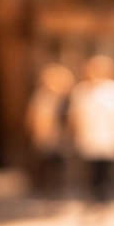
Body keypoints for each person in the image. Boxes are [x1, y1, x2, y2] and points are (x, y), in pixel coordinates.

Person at [68, 55, 114, 204]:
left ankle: (107, 200)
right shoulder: (81, 91)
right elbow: (74, 117)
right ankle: (95, 199)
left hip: (112, 140)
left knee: (110, 174)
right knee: (92, 175)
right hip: (89, 140)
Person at [24, 62, 74, 196]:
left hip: (60, 138)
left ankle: (57, 191)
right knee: (43, 165)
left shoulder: (66, 99)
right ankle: (43, 190)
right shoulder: (40, 97)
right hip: (43, 137)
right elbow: (32, 117)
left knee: (58, 167)